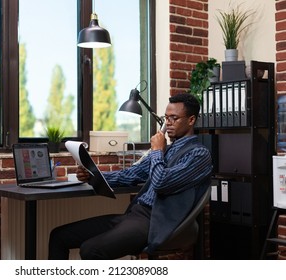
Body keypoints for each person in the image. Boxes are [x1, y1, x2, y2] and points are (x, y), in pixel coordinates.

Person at [48, 92, 213, 260]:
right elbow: (132, 174)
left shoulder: (198, 154)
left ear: (191, 120)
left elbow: (161, 182)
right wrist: (93, 176)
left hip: (154, 221)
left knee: (90, 250)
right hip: (134, 214)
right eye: (166, 118)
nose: (168, 124)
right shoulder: (167, 149)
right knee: (59, 236)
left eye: (174, 118)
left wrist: (156, 150)